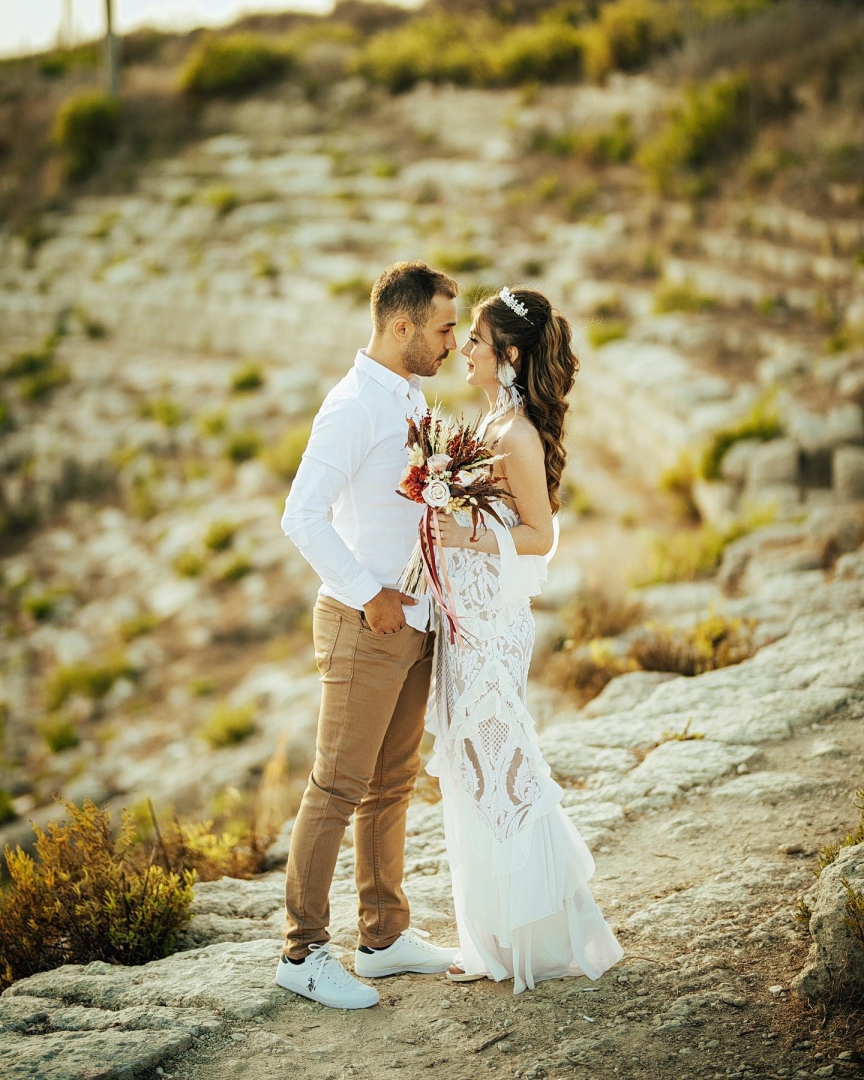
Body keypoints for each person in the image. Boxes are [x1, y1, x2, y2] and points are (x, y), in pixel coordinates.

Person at [276, 261, 461, 1009]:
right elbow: (301, 516)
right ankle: (302, 952)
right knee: (336, 786)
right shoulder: (353, 405)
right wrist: (369, 594)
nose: (453, 340)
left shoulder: (412, 395)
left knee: (391, 784)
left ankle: (382, 936)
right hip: (366, 623)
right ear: (402, 326)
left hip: (415, 623)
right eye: (446, 327)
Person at [430, 285, 625, 993]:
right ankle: (489, 938)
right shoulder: (486, 424)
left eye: (476, 341)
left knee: (502, 770)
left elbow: (539, 537)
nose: (465, 349)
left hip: (493, 627)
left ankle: (536, 937)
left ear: (508, 354)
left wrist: (464, 530)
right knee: (467, 770)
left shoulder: (517, 436)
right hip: (465, 619)